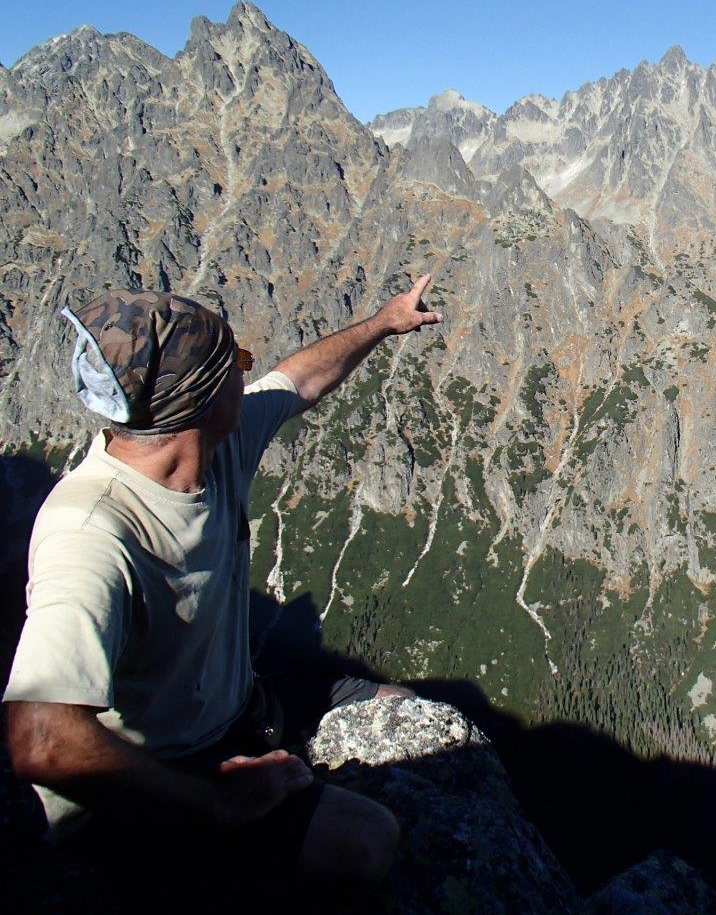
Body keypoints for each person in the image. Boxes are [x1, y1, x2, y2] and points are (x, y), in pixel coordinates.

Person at [3, 276, 444, 887]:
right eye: (236, 362)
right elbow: (42, 740)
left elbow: (299, 381)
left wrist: (383, 323)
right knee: (365, 839)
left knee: (403, 709)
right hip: (153, 782)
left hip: (234, 709)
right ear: (200, 399)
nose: (249, 371)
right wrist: (220, 803)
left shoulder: (212, 446)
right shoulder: (92, 535)